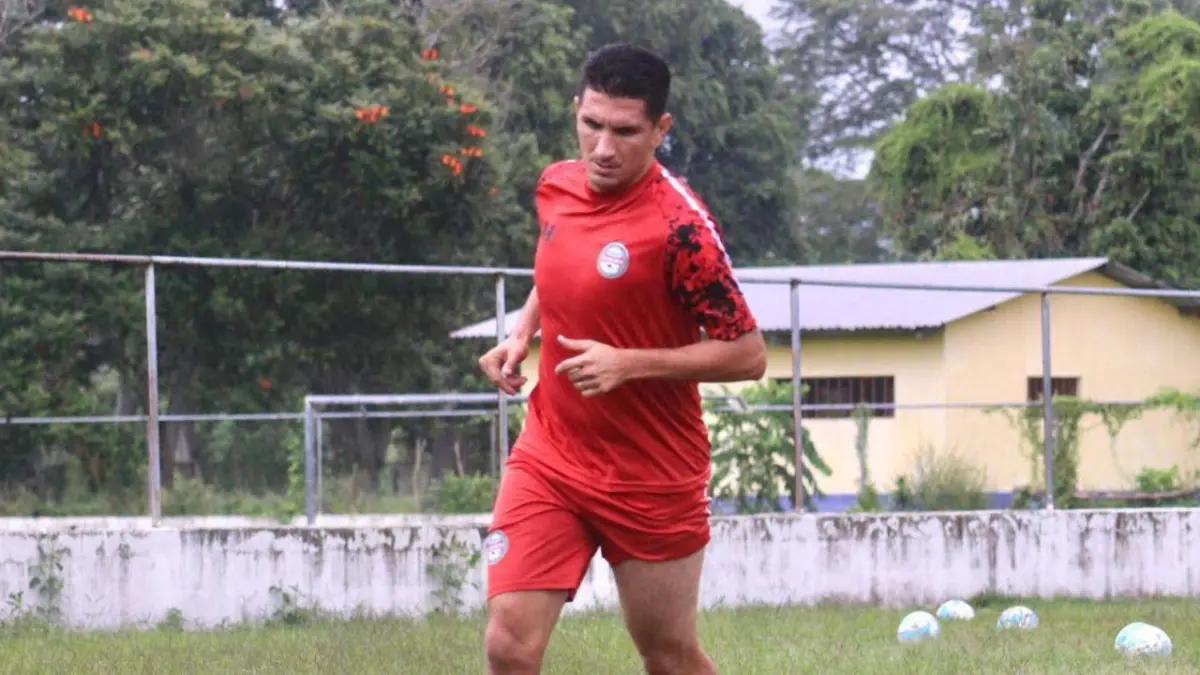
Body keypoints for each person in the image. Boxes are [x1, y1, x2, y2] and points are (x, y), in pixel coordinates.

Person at [477, 43, 766, 675]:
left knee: (667, 655)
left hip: (652, 471)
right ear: (577, 109)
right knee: (508, 646)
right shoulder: (556, 185)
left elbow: (748, 354)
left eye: (626, 132)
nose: (604, 148)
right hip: (552, 452)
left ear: (661, 130)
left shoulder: (682, 229)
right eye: (592, 125)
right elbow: (560, 265)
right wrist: (522, 332)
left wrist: (629, 364)